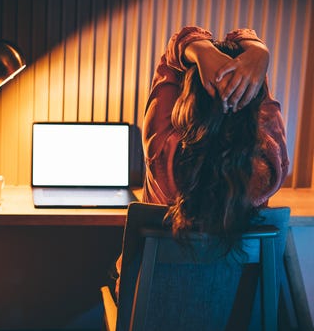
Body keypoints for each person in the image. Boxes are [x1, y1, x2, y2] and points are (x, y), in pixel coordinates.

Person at [115, 26, 289, 297]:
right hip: (229, 316)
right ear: (254, 98)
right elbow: (263, 104)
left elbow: (168, 62)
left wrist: (201, 50)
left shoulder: (161, 151)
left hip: (153, 312)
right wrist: (258, 53)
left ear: (185, 99)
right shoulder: (270, 168)